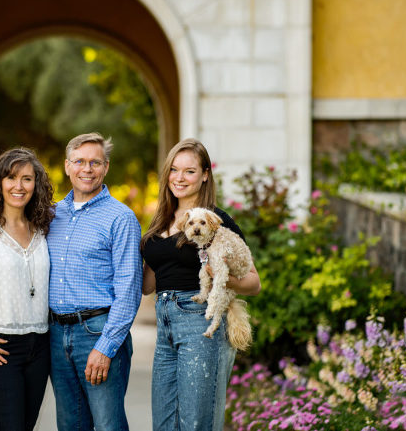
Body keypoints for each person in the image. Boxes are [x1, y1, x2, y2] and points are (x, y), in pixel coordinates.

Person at [141, 138, 261, 431]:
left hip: (200, 320)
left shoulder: (215, 221)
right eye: (174, 170)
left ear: (205, 174)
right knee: (164, 424)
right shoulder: (161, 220)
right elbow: (147, 286)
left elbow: (254, 282)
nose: (179, 178)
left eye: (190, 171)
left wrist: (221, 277)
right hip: (165, 319)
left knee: (197, 423)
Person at [47, 132, 143, 431]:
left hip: (97, 332)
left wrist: (106, 346)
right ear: (67, 166)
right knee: (70, 424)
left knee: (107, 425)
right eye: (79, 162)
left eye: (95, 162)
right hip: (55, 334)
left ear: (106, 167)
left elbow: (129, 288)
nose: (86, 169)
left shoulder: (121, 218)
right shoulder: (51, 214)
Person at [0, 148, 55, 431]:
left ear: (36, 184)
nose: (19, 186)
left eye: (27, 179)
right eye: (11, 178)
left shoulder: (43, 228)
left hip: (40, 345)